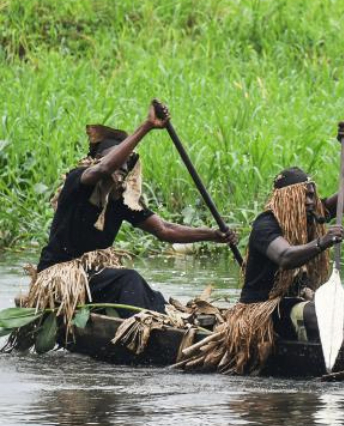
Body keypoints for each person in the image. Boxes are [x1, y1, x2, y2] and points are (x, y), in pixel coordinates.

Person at [179, 122, 344, 375]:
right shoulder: (266, 225)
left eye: (312, 195)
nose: (310, 201)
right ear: (287, 199)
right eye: (304, 196)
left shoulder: (312, 216)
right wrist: (322, 242)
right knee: (320, 312)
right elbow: (285, 257)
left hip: (296, 305)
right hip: (263, 312)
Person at [22, 102, 237, 321]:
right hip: (60, 277)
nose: (121, 170)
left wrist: (212, 235)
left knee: (152, 295)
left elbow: (165, 229)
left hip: (92, 277)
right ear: (99, 160)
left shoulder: (120, 199)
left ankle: (165, 320)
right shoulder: (78, 180)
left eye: (125, 166)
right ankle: (143, 326)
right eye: (118, 162)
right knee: (127, 279)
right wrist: (147, 126)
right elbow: (104, 168)